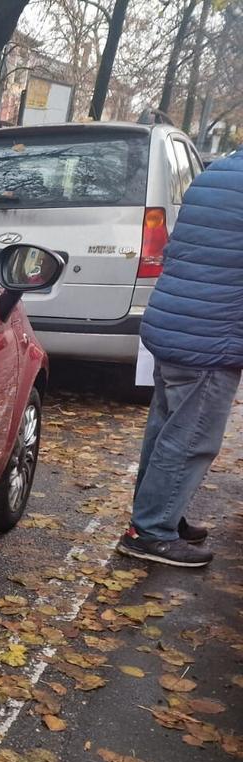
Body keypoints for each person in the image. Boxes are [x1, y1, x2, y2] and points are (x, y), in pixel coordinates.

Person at [118, 147, 243, 567]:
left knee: (165, 431)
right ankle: (152, 530)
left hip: (177, 323)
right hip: (211, 337)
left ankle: (157, 516)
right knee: (190, 440)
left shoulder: (217, 173)